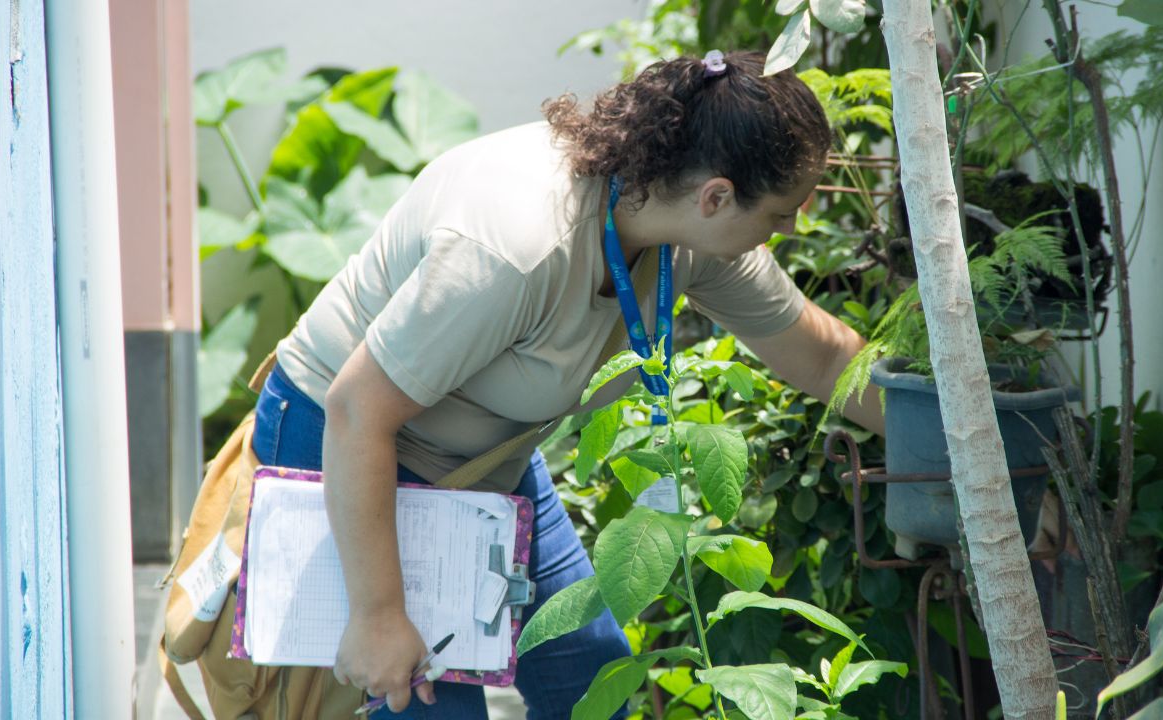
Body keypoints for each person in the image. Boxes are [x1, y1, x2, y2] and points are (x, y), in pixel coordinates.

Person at [248, 49, 884, 719]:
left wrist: (961, 443)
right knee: (433, 703)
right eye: (781, 215)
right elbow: (357, 409)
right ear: (716, 196)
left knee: (589, 674)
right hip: (347, 438)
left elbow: (825, 361)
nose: (789, 231)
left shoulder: (683, 231)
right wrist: (379, 615)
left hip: (485, 460)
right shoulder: (516, 247)